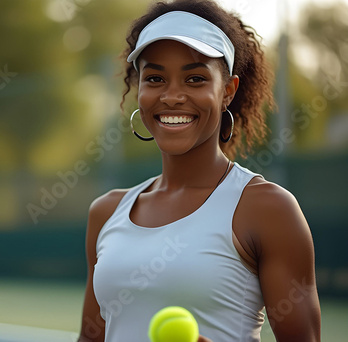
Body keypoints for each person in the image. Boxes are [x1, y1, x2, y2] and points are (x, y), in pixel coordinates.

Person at [78, 0, 321, 341]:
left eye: (195, 79)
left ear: (228, 91)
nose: (172, 96)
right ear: (140, 91)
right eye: (155, 78)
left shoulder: (269, 209)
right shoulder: (105, 213)